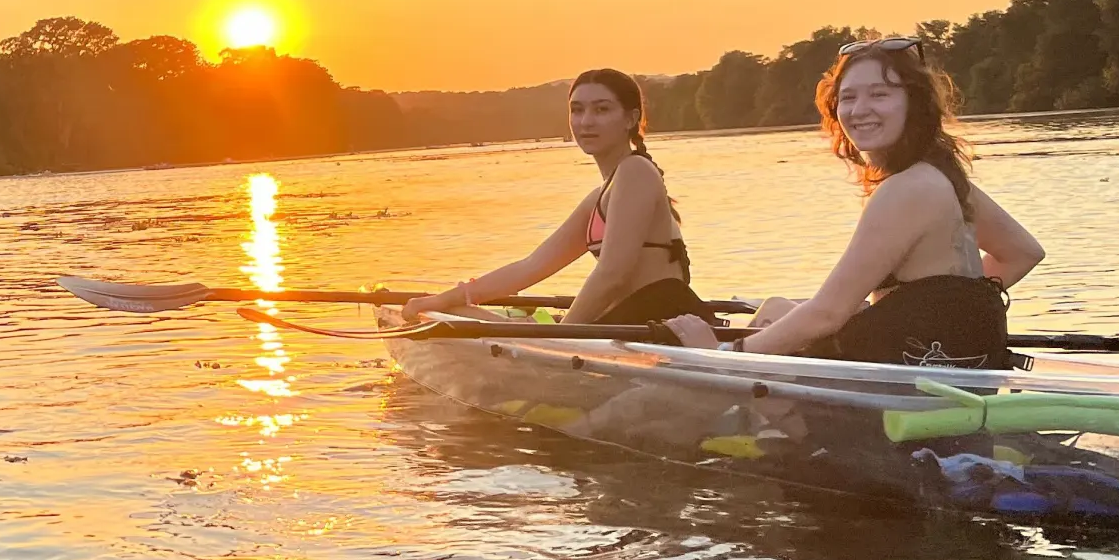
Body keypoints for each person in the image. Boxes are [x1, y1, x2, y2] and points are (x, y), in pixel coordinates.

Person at [667, 38, 1043, 367]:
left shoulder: (906, 189)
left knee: (772, 328)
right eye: (848, 97)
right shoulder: (944, 177)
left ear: (915, 103)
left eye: (880, 94)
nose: (859, 109)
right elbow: (1021, 252)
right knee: (778, 309)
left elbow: (827, 314)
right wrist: (931, 312)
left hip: (912, 383)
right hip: (951, 367)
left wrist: (723, 355)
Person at [401, 68, 720, 329]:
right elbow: (530, 267)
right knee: (457, 313)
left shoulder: (636, 171)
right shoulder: (602, 194)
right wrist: (443, 300)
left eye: (602, 109)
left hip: (661, 318)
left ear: (630, 118)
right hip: (633, 320)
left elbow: (613, 273)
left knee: (466, 320)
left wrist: (562, 332)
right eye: (577, 110)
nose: (586, 121)